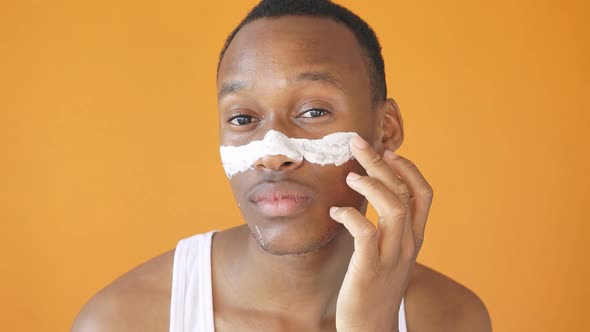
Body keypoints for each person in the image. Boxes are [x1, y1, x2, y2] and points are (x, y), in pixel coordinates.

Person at [72, 0, 492, 331]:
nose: (272, 152)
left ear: (385, 128)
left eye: (312, 112)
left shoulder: (452, 319)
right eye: (243, 119)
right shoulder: (123, 321)